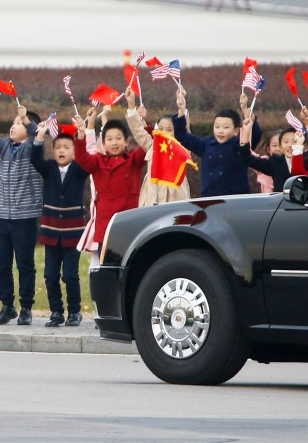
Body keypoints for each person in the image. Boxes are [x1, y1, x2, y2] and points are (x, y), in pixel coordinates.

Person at [0, 106, 42, 325]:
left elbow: (36, 135)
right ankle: (7, 306)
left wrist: (26, 119)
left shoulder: (33, 148)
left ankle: (26, 307)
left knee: (25, 264)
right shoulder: (5, 146)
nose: (13, 126)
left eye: (19, 123)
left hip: (24, 217)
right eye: (14, 122)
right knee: (1, 263)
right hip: (2, 217)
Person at [31, 117, 93, 327]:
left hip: (73, 233)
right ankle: (56, 311)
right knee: (50, 275)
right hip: (51, 233)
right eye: (58, 147)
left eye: (67, 147)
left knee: (70, 275)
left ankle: (74, 311)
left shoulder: (79, 170)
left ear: (74, 151)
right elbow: (34, 159)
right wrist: (40, 136)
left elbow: (87, 161)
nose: (61, 150)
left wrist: (82, 135)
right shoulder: (48, 168)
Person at [73, 96, 146, 265]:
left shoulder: (133, 159)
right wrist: (82, 134)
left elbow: (147, 145)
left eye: (118, 138)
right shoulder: (98, 161)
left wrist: (135, 111)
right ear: (103, 143)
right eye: (110, 139)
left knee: (132, 268)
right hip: (106, 226)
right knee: (108, 271)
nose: (114, 143)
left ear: (126, 141)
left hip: (130, 223)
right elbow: (83, 158)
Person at [173, 93, 260, 197]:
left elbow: (254, 136)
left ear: (236, 130)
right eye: (217, 127)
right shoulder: (206, 144)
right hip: (209, 198)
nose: (220, 131)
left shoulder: (240, 145)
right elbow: (183, 137)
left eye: (226, 127)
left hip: (236, 199)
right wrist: (181, 111)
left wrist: (250, 117)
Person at [125, 87, 190, 206]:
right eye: (161, 129)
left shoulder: (181, 148)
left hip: (175, 203)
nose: (164, 132)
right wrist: (131, 104)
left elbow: (185, 130)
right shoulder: (151, 146)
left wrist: (182, 108)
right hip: (151, 202)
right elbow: (137, 130)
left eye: (169, 130)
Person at [239, 114, 298, 192]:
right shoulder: (272, 163)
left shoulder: (303, 160)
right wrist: (246, 132)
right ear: (268, 149)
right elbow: (247, 157)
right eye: (274, 145)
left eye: (293, 142)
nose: (278, 149)